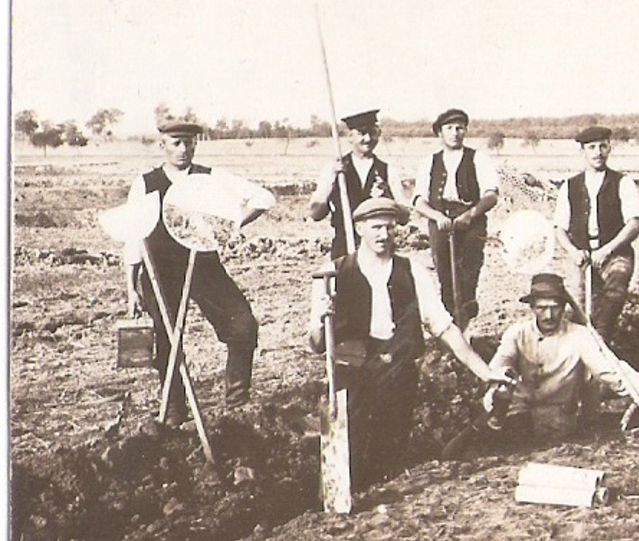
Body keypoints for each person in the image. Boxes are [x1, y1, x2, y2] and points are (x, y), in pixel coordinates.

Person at [307, 198, 508, 487]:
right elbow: (315, 344)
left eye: (389, 228)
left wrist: (485, 371)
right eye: (375, 227)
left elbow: (446, 328)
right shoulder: (333, 274)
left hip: (397, 371)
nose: (383, 235)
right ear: (359, 228)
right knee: (348, 450)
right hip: (351, 372)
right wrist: (324, 316)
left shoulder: (413, 272)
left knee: (389, 453)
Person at [124, 116, 275, 411]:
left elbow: (263, 198)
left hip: (204, 266)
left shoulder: (210, 177)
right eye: (176, 143)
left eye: (189, 143)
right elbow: (132, 237)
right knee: (166, 341)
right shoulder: (145, 184)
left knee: (243, 325)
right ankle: (175, 409)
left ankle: (237, 404)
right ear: (162, 145)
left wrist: (229, 223)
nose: (183, 149)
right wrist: (130, 287)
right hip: (160, 271)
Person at [443, 273, 639, 458]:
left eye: (554, 308)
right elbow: (499, 363)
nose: (548, 315)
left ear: (564, 307)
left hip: (556, 424)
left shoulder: (579, 336)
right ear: (532, 308)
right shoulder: (517, 333)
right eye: (541, 308)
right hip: (514, 418)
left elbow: (613, 370)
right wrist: (494, 392)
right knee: (472, 445)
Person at [553, 124, 639, 347]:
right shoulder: (569, 186)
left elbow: (634, 225)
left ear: (609, 148)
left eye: (602, 146)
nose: (597, 152)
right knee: (579, 305)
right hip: (582, 257)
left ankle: (602, 341)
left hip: (615, 254)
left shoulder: (623, 183)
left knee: (616, 284)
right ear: (582, 151)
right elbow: (559, 229)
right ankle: (579, 353)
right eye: (592, 147)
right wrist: (573, 252)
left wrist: (606, 250)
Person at [411, 108, 501, 330]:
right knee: (445, 273)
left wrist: (470, 215)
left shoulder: (478, 158)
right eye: (449, 128)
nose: (455, 133)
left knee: (469, 271)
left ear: (465, 131)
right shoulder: (429, 162)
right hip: (439, 219)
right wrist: (437, 216)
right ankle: (449, 328)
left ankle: (465, 325)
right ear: (440, 133)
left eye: (460, 128)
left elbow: (491, 194)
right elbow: (418, 200)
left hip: (471, 220)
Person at [307, 108, 408, 259]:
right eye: (361, 133)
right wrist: (332, 180)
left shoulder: (388, 170)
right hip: (344, 247)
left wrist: (388, 201)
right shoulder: (333, 169)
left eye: (372, 132)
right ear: (350, 137)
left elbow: (404, 217)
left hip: (380, 249)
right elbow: (315, 214)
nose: (368, 138)